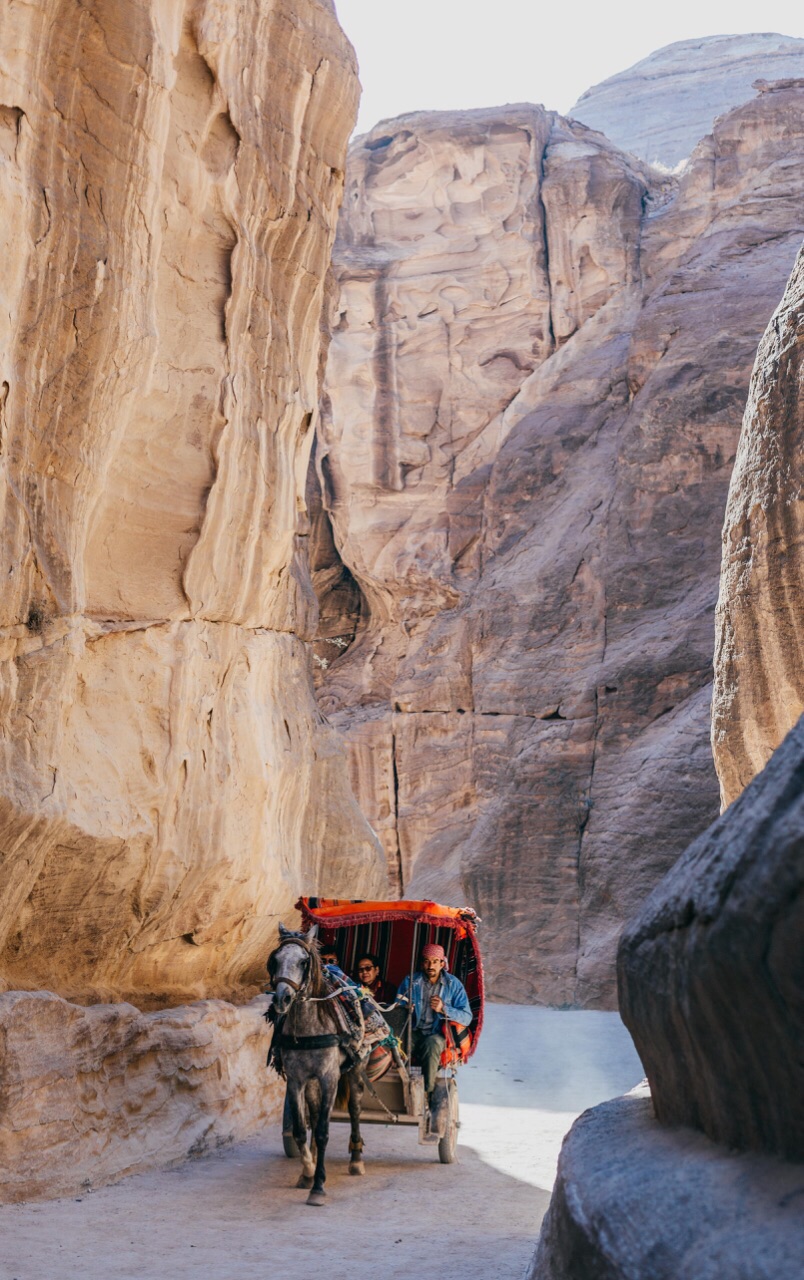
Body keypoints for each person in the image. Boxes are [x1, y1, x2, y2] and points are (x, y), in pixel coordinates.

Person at [396, 942, 472, 1097]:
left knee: (432, 1044)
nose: (430, 965)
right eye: (427, 961)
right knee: (398, 1043)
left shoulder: (453, 985)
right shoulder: (410, 981)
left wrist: (444, 1008)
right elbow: (397, 1007)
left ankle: (427, 1094)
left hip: (438, 1033)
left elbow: (466, 1017)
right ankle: (397, 1090)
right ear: (422, 963)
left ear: (442, 963)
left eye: (435, 961)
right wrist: (404, 1009)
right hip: (415, 1030)